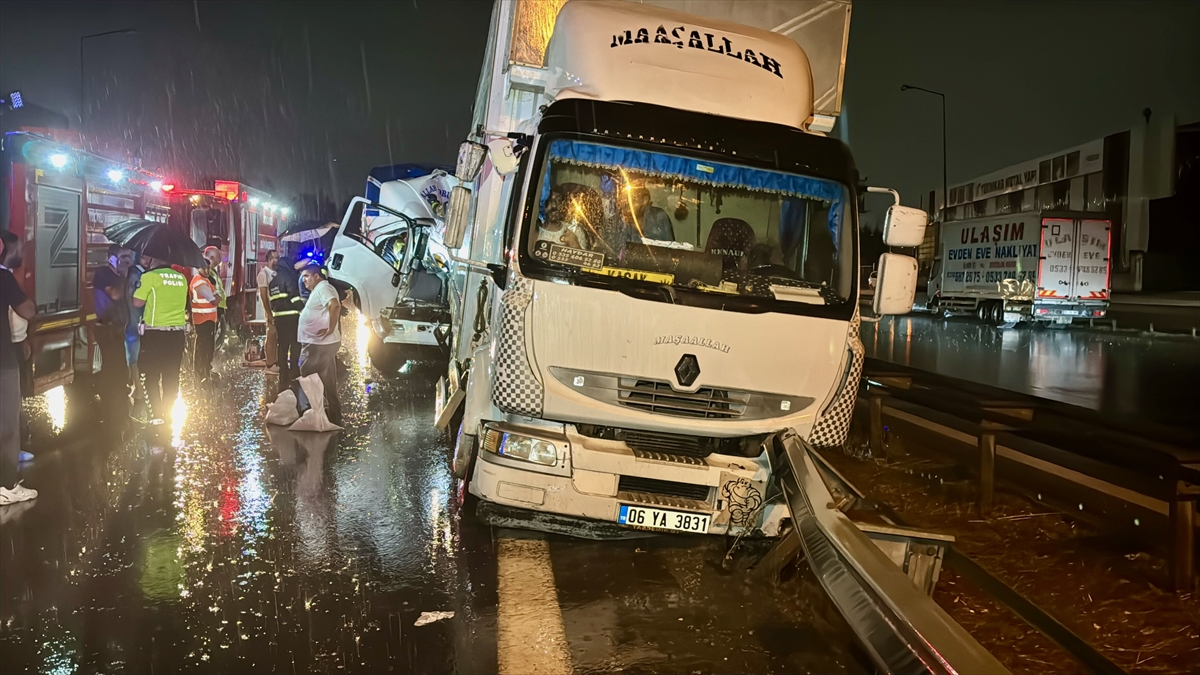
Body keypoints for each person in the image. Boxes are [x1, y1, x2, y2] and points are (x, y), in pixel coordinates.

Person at [1, 232, 37, 506]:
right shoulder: (3, 277)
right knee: (7, 423)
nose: (20, 252)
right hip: (2, 361)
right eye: (18, 248)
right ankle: (6, 485)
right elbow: (27, 310)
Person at [132, 257, 189, 423]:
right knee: (171, 375)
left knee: (151, 375)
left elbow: (137, 302)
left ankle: (157, 415)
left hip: (155, 334)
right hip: (177, 334)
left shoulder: (149, 276)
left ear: (153, 259)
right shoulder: (181, 278)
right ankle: (167, 412)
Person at [92, 244, 134, 418]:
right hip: (107, 328)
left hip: (118, 327)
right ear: (112, 258)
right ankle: (110, 408)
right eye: (123, 257)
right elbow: (115, 295)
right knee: (113, 365)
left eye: (129, 257)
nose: (127, 261)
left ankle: (116, 408)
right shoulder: (104, 274)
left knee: (119, 365)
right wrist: (124, 276)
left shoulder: (121, 276)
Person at [298, 263, 342, 424]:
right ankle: (331, 414)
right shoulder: (319, 289)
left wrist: (330, 328)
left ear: (317, 276)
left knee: (307, 375)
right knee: (327, 379)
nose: (303, 280)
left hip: (318, 344)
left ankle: (311, 412)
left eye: (307, 276)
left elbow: (334, 305)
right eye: (302, 277)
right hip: (321, 343)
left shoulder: (324, 288)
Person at [268, 256, 304, 393]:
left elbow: (272, 302)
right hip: (292, 317)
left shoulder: (273, 282)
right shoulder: (289, 278)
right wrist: (304, 309)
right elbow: (294, 297)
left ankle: (283, 372)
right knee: (295, 344)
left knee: (282, 346)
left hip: (279, 318)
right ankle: (294, 370)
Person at [190, 248, 221, 383]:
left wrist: (216, 297)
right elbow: (214, 299)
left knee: (208, 347)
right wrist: (216, 297)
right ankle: (201, 374)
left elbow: (217, 297)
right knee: (203, 348)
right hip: (202, 319)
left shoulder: (206, 280)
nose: (207, 271)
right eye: (204, 268)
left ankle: (206, 371)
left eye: (208, 268)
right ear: (198, 268)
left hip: (208, 319)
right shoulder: (199, 282)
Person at [257, 250, 279, 372]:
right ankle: (270, 364)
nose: (278, 260)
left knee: (276, 336)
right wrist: (269, 313)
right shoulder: (263, 274)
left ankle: (275, 361)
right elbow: (263, 295)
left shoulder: (276, 273)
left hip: (277, 309)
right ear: (270, 259)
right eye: (276, 258)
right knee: (271, 335)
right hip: (271, 309)